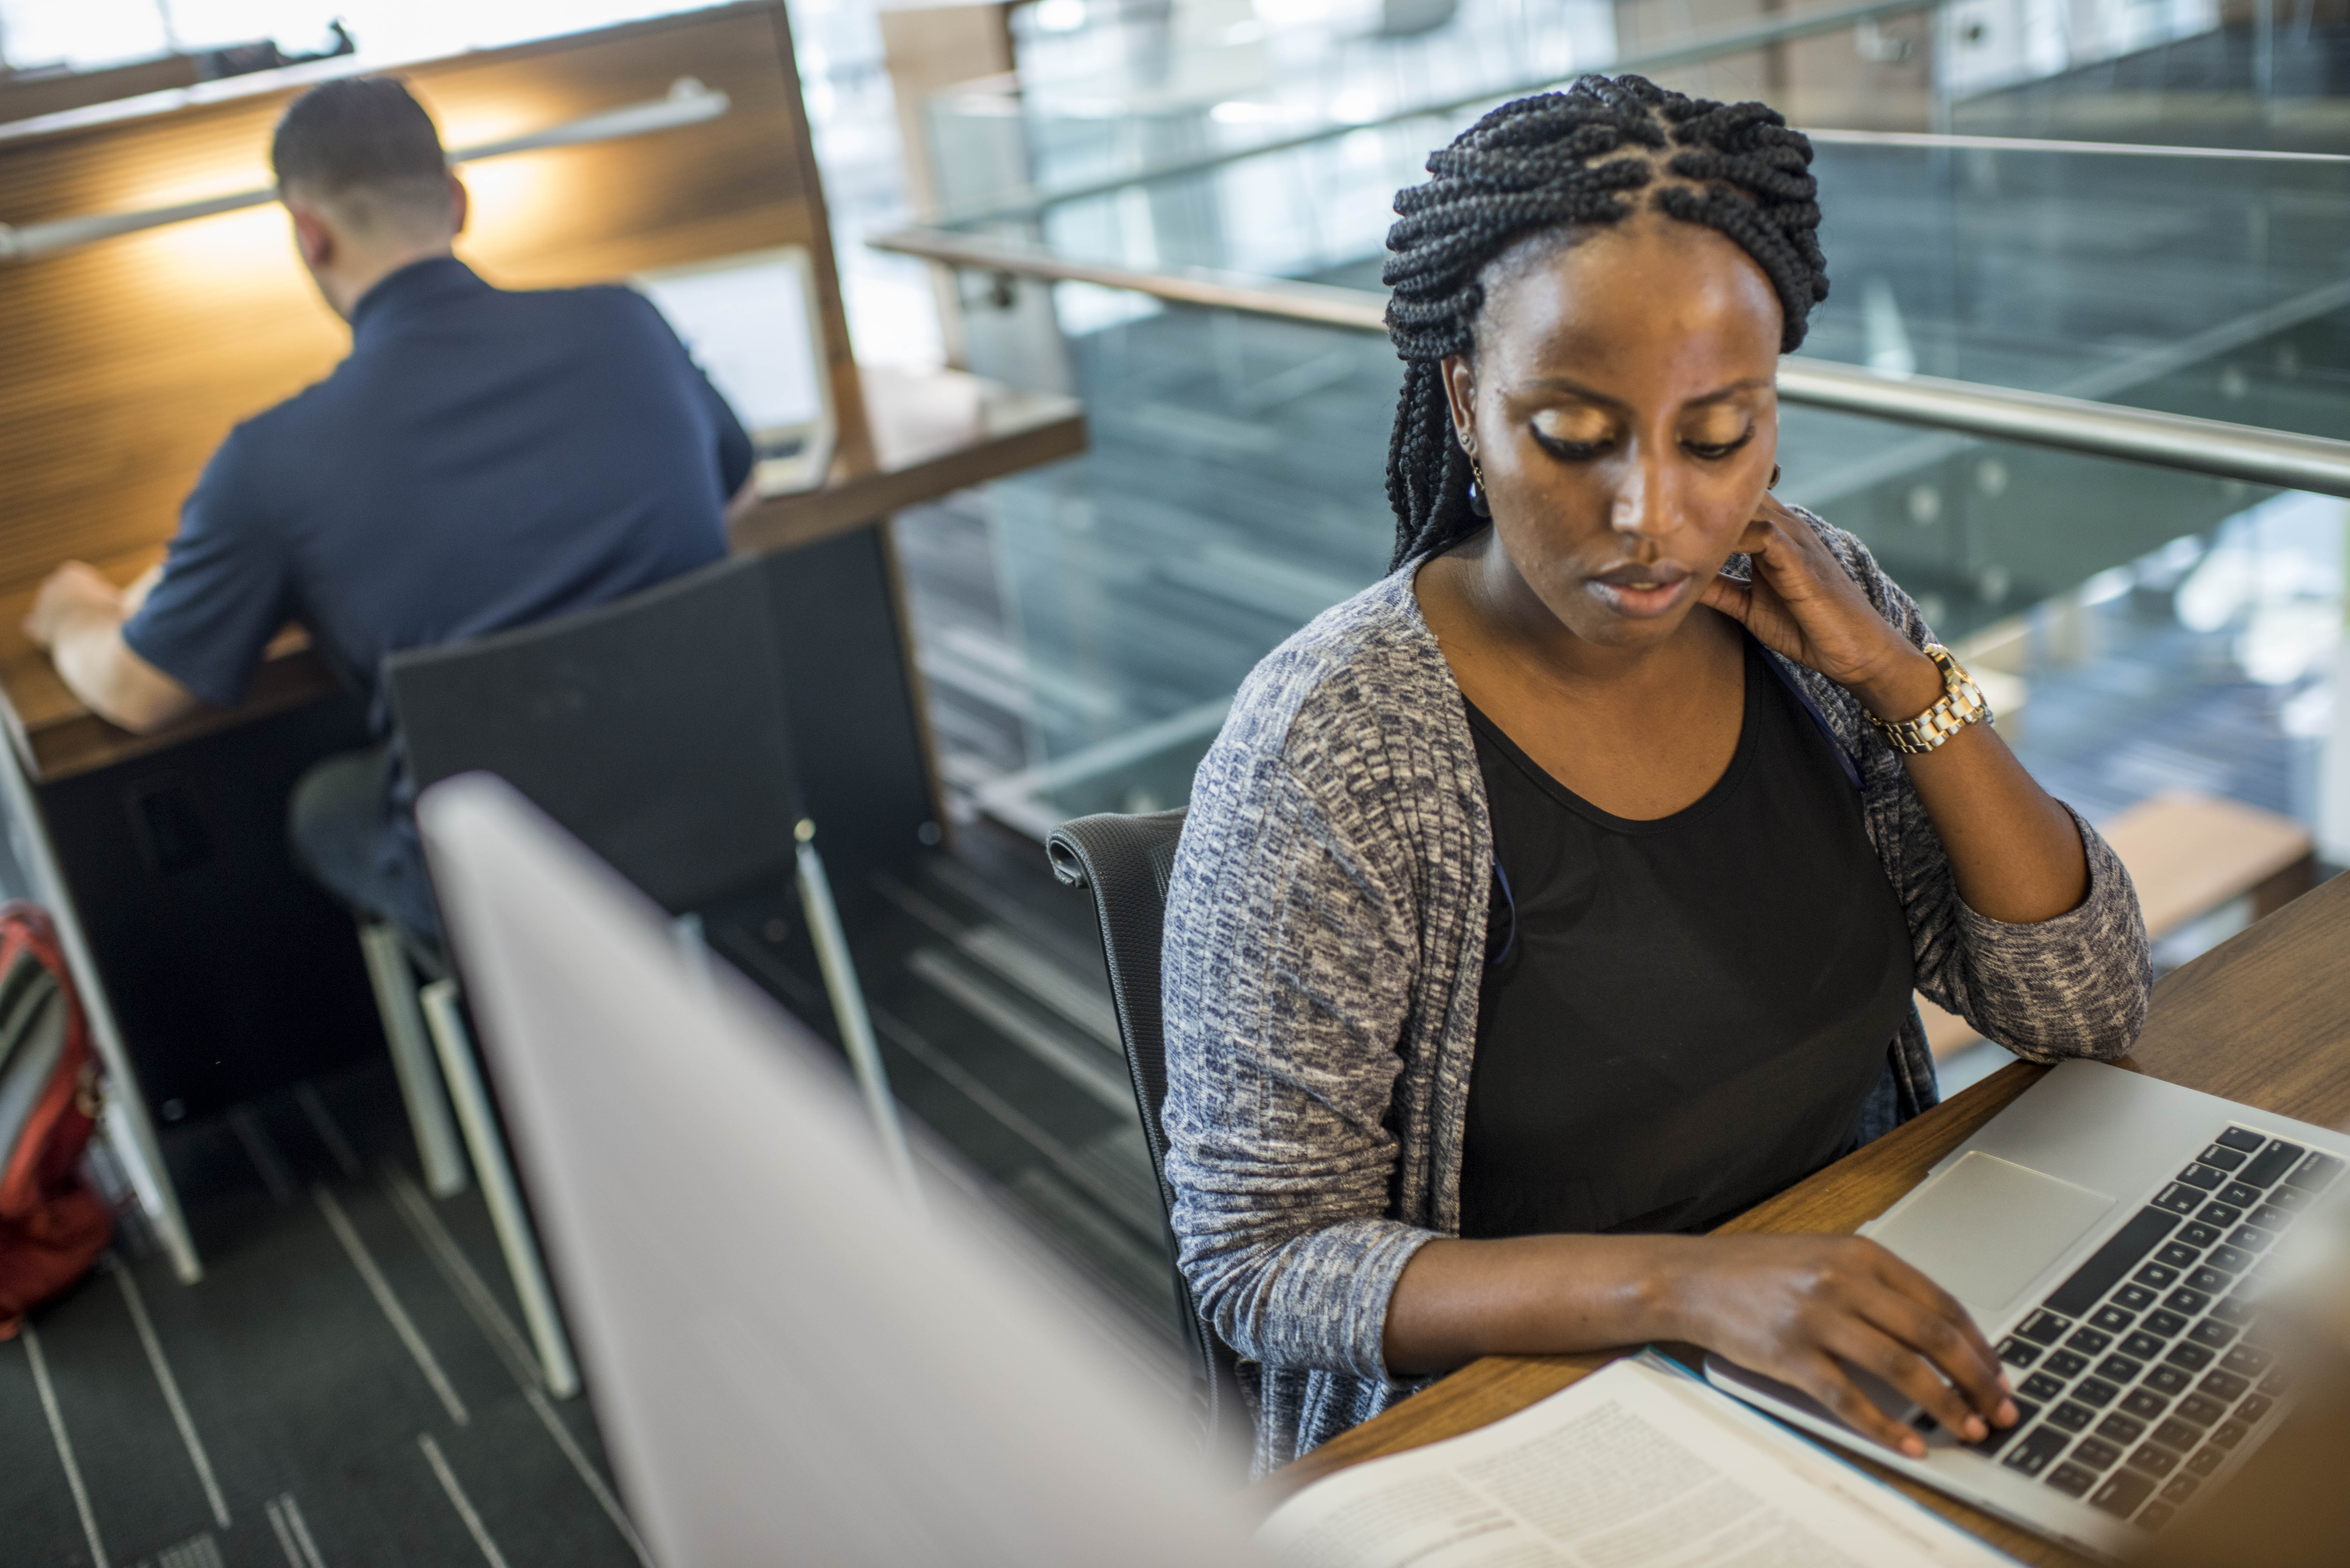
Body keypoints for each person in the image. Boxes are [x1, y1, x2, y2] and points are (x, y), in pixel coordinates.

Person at [1158, 74, 2155, 1475]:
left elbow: (2088, 1001)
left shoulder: (1819, 613)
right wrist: (1686, 1286)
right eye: (1573, 434)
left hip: (1854, 1344)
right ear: (1464, 397)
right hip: (1525, 1427)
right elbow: (1260, 1262)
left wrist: (1901, 684)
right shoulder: (1333, 749)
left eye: (1715, 436)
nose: (1651, 518)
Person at [23, 76, 752, 948]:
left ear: (308, 233)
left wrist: (74, 612)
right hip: (723, 791)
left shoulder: (274, 459)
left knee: (326, 804)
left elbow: (142, 693)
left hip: (501, 875)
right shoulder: (627, 321)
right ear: (457, 200)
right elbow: (737, 486)